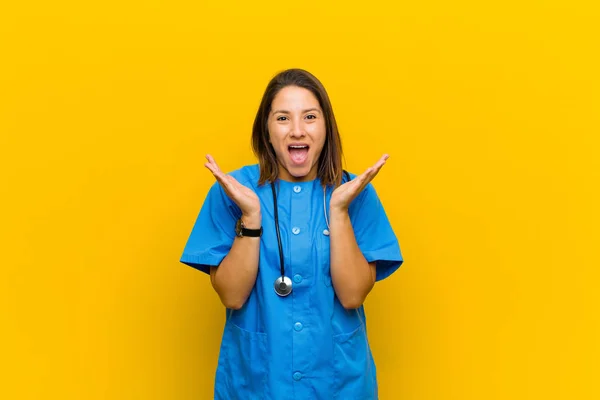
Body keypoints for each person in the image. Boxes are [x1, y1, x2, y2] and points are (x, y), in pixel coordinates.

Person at [180, 68, 403, 399]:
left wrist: (339, 212)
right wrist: (252, 216)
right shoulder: (234, 191)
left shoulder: (354, 193)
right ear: (267, 131)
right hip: (257, 382)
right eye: (283, 118)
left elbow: (353, 295)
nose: (297, 130)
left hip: (337, 384)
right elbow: (231, 295)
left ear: (326, 127)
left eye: (310, 117)